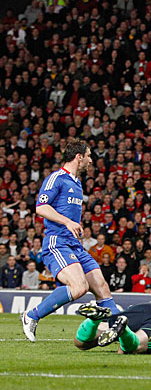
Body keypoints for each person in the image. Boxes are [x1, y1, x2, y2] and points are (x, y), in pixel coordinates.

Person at [22, 139, 119, 342]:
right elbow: (41, 207)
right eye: (89, 156)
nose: (91, 161)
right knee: (79, 287)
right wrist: (67, 222)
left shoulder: (77, 183)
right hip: (57, 243)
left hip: (75, 245)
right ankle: (31, 315)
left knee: (102, 288)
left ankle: (117, 329)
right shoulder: (56, 178)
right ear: (79, 157)